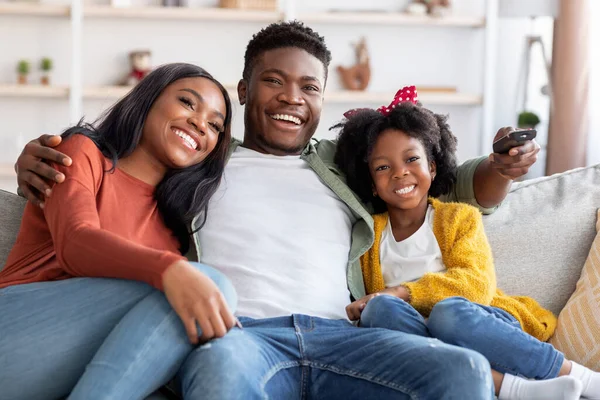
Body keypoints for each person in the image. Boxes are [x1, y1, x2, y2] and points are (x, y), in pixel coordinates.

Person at [13, 21, 540, 399]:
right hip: (241, 337)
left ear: (323, 100)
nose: (292, 97)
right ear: (244, 90)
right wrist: (41, 159)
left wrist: (499, 166)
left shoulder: (348, 167)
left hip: (344, 335)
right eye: (273, 81)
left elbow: (441, 185)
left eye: (309, 87)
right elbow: (124, 169)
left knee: (462, 372)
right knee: (219, 375)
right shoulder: (200, 163)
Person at [333, 86, 600, 400]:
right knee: (380, 312)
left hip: (477, 322)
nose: (400, 173)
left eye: (411, 159)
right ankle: (510, 387)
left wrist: (403, 291)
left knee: (447, 314)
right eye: (382, 167)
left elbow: (476, 285)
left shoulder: (458, 218)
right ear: (372, 185)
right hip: (422, 342)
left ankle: (577, 376)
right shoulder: (369, 236)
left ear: (432, 167)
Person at [0, 63, 239, 400]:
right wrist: (171, 271)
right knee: (209, 286)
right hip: (14, 331)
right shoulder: (81, 152)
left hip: (69, 371)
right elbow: (76, 243)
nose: (200, 123)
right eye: (188, 103)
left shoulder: (173, 233)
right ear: (149, 98)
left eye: (215, 125)